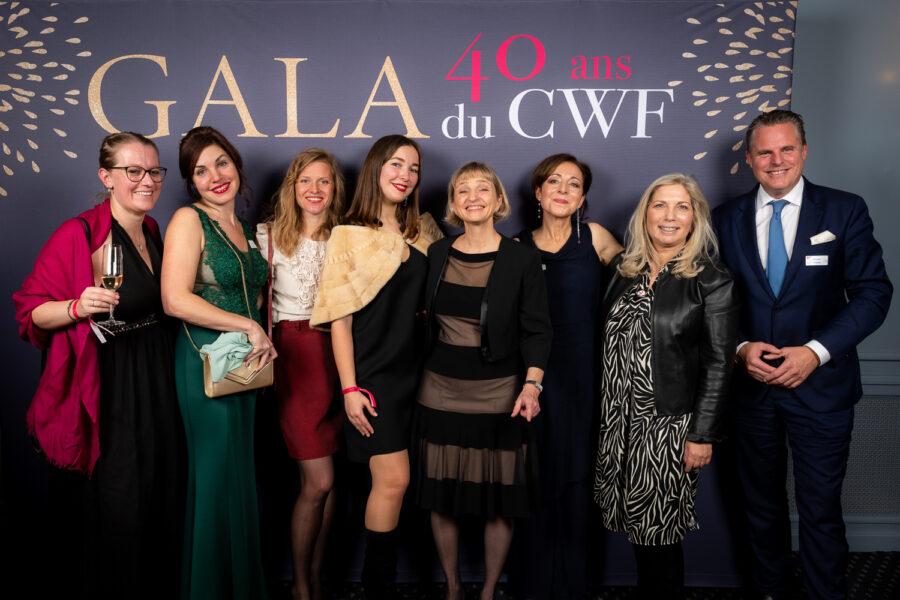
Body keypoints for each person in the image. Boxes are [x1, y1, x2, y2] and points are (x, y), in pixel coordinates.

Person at [713, 110, 892, 600]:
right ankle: (770, 591)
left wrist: (815, 352)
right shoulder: (723, 219)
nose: (777, 161)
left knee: (820, 510)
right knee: (760, 507)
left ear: (804, 151)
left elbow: (874, 294)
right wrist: (739, 347)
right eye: (765, 152)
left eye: (786, 149)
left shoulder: (844, 210)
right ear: (750, 159)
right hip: (751, 392)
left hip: (822, 389)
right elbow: (709, 303)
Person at [13, 132, 183, 599]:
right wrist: (76, 306)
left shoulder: (152, 229)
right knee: (120, 502)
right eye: (133, 171)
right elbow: (30, 312)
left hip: (156, 373)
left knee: (158, 492)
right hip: (111, 381)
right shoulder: (80, 233)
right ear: (106, 177)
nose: (146, 181)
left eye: (154, 171)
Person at [594, 173, 739, 600]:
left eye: (681, 206)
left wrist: (702, 434)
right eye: (660, 205)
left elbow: (719, 362)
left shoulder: (711, 278)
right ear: (645, 214)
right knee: (635, 529)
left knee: (658, 534)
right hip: (617, 424)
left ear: (695, 217)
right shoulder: (625, 270)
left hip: (666, 428)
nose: (669, 216)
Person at [309, 134, 442, 599]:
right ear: (375, 169)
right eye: (396, 164)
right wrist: (349, 389)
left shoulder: (423, 233)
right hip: (372, 375)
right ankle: (377, 588)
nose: (405, 175)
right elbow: (339, 322)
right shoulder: (347, 235)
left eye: (414, 168)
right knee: (393, 479)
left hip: (417, 374)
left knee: (405, 483)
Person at [412, 161, 552, 600]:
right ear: (454, 203)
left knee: (500, 501)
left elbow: (538, 331)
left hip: (500, 394)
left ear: (498, 200)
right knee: (441, 498)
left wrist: (531, 385)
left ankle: (489, 592)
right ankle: (453, 589)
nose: (473, 197)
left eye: (483, 189)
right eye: (463, 190)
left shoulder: (522, 257)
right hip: (439, 391)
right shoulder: (437, 253)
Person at [161, 126, 276, 600]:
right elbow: (174, 299)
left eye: (221, 163)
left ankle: (241, 587)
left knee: (238, 476)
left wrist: (259, 336)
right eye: (200, 171)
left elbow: (256, 295)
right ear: (191, 182)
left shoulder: (247, 229)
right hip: (204, 358)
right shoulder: (189, 219)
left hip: (245, 363)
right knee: (215, 479)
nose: (215, 176)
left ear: (236, 164)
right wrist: (249, 326)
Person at [515, 153, 622, 599]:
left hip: (585, 375)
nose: (563, 189)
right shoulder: (516, 246)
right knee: (534, 475)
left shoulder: (595, 238)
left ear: (582, 198)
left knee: (579, 477)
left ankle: (576, 585)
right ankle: (534, 585)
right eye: (554, 181)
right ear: (538, 192)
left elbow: (643, 280)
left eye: (573, 183)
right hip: (531, 378)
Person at [256, 148, 345, 600]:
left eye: (323, 181)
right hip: (295, 356)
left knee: (331, 483)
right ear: (292, 187)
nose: (314, 189)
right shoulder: (267, 236)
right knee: (319, 480)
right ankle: (302, 587)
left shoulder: (348, 237)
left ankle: (314, 576)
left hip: (342, 354)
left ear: (335, 188)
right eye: (305, 180)